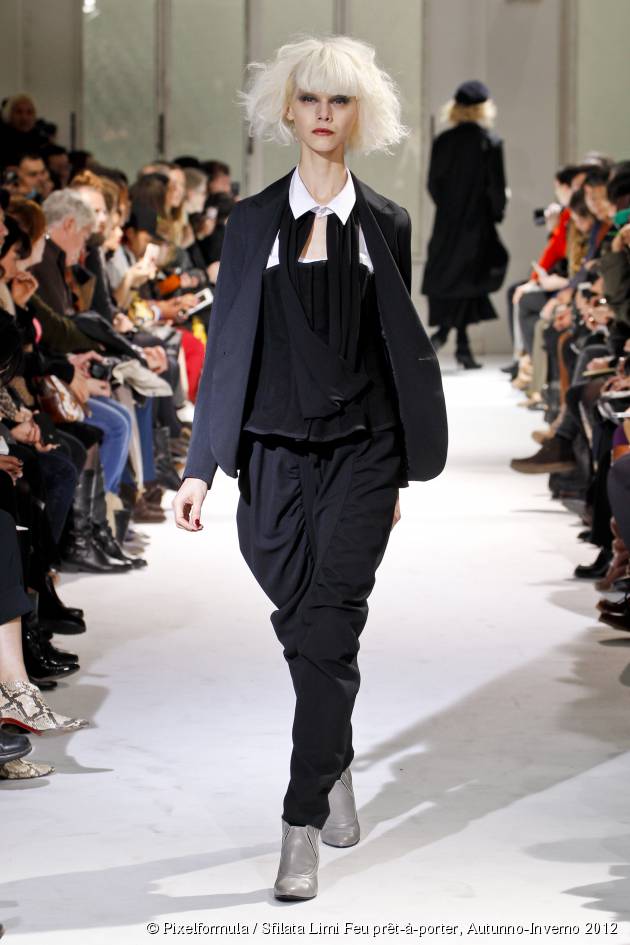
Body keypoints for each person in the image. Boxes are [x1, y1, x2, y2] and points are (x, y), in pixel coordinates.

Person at [173, 34, 448, 900]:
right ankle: (334, 754)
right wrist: (200, 465)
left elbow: (394, 348)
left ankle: (300, 824)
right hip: (271, 451)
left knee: (329, 622)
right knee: (308, 621)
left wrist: (396, 471)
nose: (324, 115)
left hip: (365, 450)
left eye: (340, 100)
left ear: (360, 114)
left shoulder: (388, 224)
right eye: (310, 99)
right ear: (286, 110)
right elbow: (227, 348)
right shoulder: (250, 222)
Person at [422, 80, 509, 369]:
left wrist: (448, 207)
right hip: (477, 223)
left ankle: (453, 339)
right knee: (469, 280)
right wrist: (496, 212)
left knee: (452, 278)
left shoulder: (443, 141)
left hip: (447, 222)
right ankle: (454, 341)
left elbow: (433, 183)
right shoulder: (489, 142)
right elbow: (496, 187)